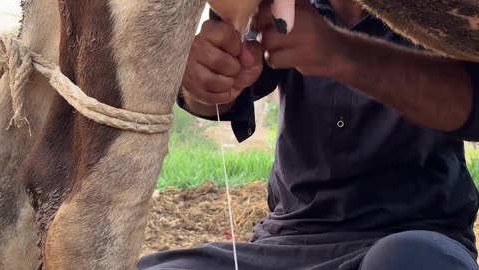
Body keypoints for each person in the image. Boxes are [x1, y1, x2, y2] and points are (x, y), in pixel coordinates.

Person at [138, 0, 479, 269]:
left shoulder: (443, 14)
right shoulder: (285, 8)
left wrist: (340, 53)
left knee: (409, 260)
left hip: (417, 240)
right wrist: (205, 77)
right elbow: (219, 94)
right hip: (288, 242)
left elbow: (472, 107)